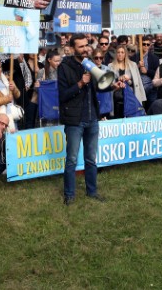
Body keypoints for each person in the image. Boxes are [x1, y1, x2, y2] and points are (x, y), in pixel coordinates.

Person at [58, 33, 104, 205]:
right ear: (72, 48)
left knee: (91, 159)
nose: (85, 49)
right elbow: (62, 95)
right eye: (81, 46)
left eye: (86, 45)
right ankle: (69, 194)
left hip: (92, 118)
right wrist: (80, 83)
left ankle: (92, 191)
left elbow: (99, 87)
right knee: (71, 159)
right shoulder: (65, 67)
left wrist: (112, 85)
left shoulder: (90, 63)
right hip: (74, 120)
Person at [108, 45, 145, 118]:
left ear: (125, 54)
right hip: (116, 98)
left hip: (130, 97)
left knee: (130, 118)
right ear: (116, 54)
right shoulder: (110, 66)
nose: (120, 54)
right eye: (118, 52)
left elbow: (137, 82)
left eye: (122, 52)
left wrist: (128, 79)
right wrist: (118, 80)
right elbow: (109, 83)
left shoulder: (133, 65)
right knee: (117, 118)